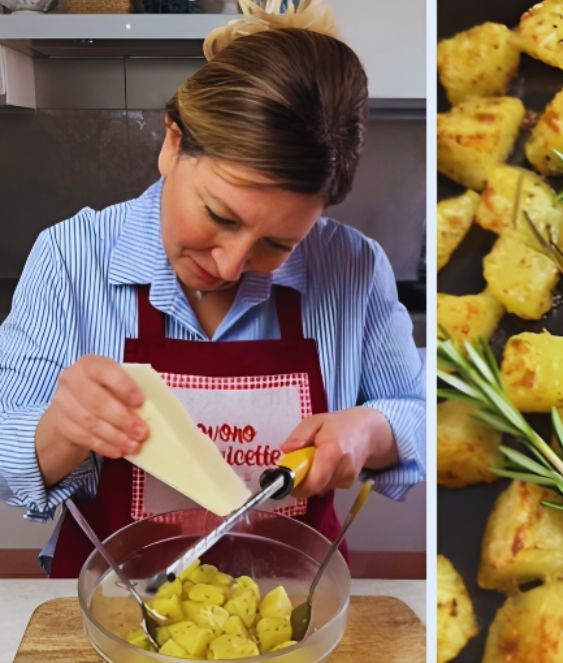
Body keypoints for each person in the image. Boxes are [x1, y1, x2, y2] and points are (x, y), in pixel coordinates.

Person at [0, 0, 425, 576]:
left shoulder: (352, 268)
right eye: (220, 216)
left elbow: (424, 416)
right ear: (172, 143)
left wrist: (373, 431)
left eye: (278, 244)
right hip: (118, 603)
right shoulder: (73, 258)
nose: (229, 265)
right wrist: (60, 430)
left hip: (293, 601)